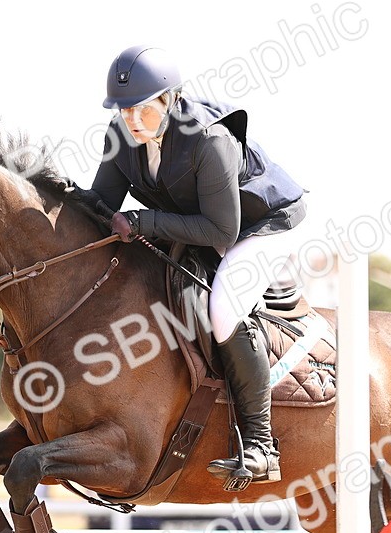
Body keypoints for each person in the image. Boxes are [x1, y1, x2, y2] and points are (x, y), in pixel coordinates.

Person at [89, 45, 308, 484]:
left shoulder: (209, 140)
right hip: (201, 221)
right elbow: (100, 206)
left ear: (169, 99)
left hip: (261, 224)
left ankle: (262, 446)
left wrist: (144, 221)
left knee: (223, 310)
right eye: (124, 110)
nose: (131, 120)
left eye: (142, 109)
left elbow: (222, 231)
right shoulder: (123, 136)